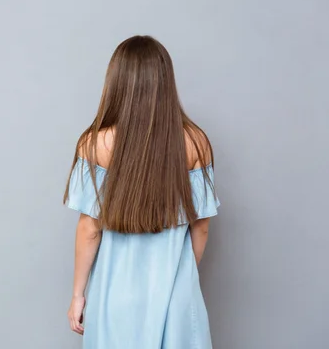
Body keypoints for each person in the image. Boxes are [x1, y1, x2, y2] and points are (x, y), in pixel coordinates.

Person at [63, 35, 220, 349]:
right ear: (165, 81)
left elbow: (89, 228)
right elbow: (200, 225)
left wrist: (78, 296)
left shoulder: (95, 144)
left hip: (113, 296)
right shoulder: (196, 143)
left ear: (117, 82)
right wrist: (181, 277)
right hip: (175, 297)